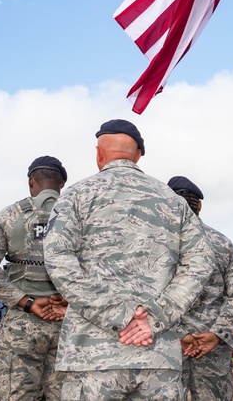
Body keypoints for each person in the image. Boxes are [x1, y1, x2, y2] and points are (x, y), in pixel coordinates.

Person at [43, 119, 215, 400]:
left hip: (92, 356)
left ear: (99, 154)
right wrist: (155, 318)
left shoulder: (76, 195)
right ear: (138, 155)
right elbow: (200, 262)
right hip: (157, 357)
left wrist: (117, 316)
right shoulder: (172, 201)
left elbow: (58, 259)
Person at [0, 155, 70, 401]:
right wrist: (70, 300)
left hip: (22, 323)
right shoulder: (78, 215)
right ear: (62, 183)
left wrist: (25, 301)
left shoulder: (11, 215)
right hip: (69, 324)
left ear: (31, 182)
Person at [167, 176, 233, 401]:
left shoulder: (158, 244)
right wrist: (217, 333)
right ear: (199, 206)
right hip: (213, 347)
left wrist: (178, 333)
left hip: (169, 345)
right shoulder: (223, 243)